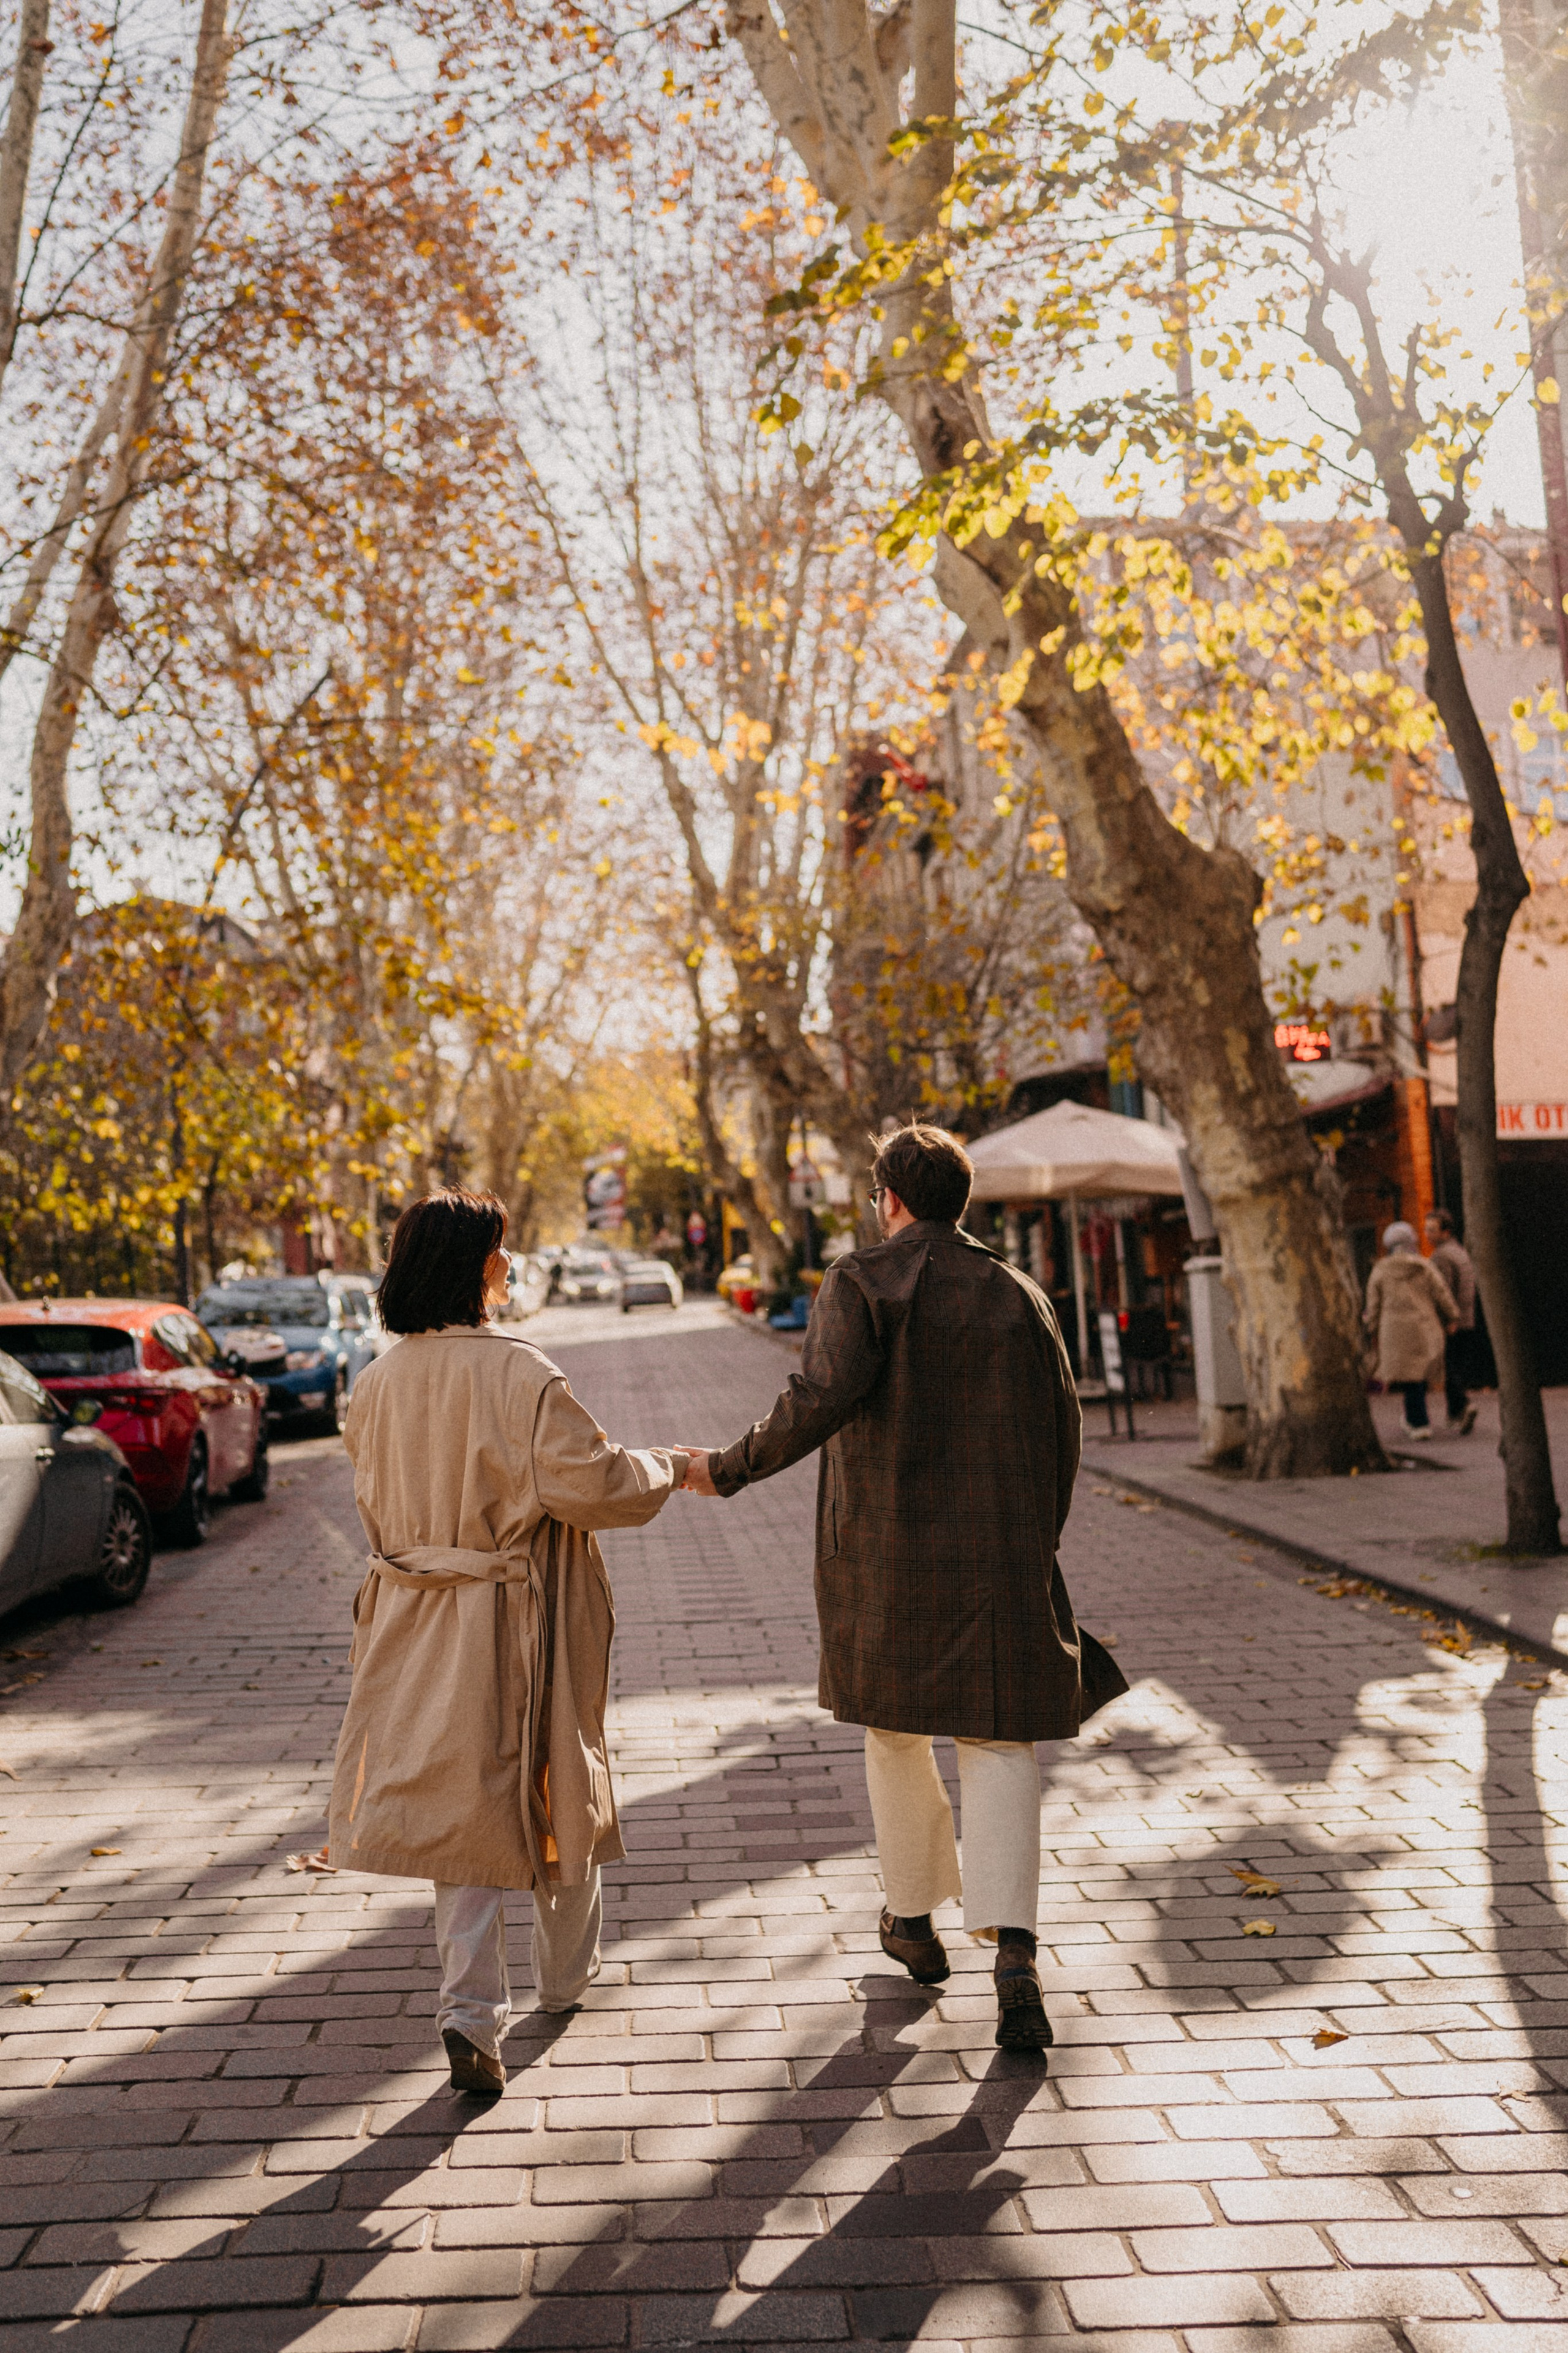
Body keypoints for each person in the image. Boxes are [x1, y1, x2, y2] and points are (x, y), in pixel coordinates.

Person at [676, 1122, 1126, 2055]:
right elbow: (1064, 1426)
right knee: (1000, 1741)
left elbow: (819, 1398)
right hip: (1002, 1551)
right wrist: (1036, 1534)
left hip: (887, 1554)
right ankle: (1015, 1955)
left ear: (890, 1198)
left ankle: (913, 1920)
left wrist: (725, 1467)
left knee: (895, 1726)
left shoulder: (863, 1281)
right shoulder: (1018, 1290)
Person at [325, 1188, 687, 2096]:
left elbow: (376, 1508)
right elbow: (594, 1484)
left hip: (411, 1621)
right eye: (502, 1251)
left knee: (461, 1812)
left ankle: (469, 2010)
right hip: (523, 1614)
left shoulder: (374, 1383)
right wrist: (672, 1466)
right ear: (474, 1265)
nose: (512, 1264)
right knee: (561, 1779)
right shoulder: (522, 1373)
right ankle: (563, 1983)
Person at [1363, 1219, 1458, 1441]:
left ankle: (1418, 1421)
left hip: (1393, 1332)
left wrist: (1371, 1327)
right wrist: (1452, 1316)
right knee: (1418, 1373)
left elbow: (1373, 1303)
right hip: (1424, 1327)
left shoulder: (1380, 1270)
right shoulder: (1424, 1266)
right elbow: (1441, 1293)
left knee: (1409, 1377)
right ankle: (1417, 1419)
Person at [1425, 1207, 1480, 1435]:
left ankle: (1463, 1406)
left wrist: (1448, 1319)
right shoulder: (1459, 1251)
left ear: (1445, 1232)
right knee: (1457, 1365)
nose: (1427, 1234)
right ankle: (1455, 1413)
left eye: (1431, 1230)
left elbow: (1444, 1291)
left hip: (1452, 1321)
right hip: (1467, 1318)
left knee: (1450, 1367)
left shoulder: (1442, 1256)